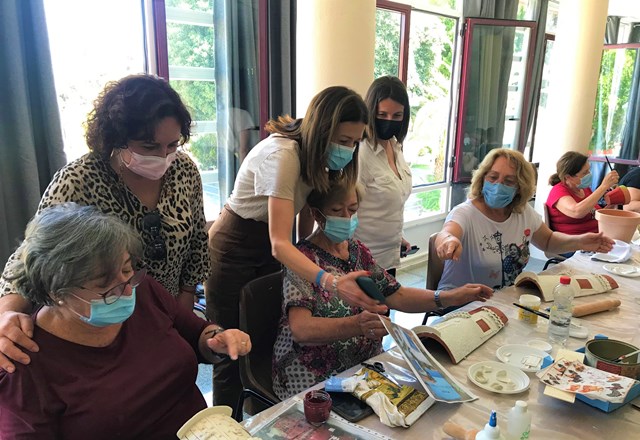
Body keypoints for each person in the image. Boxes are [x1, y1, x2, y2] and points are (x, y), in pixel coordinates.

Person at [0, 74, 211, 373]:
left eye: (172, 144)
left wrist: (184, 305)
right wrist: (6, 314)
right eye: (149, 147)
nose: (163, 157)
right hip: (101, 321)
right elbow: (32, 257)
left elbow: (197, 245)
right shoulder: (79, 180)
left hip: (163, 313)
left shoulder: (184, 170)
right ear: (117, 139)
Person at [0, 204, 250, 439]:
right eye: (104, 286)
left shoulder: (143, 292)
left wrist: (217, 339)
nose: (128, 291)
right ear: (58, 293)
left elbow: (198, 334)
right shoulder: (24, 362)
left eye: (128, 270)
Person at [205, 86, 387, 407]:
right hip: (236, 243)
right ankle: (227, 426)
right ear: (323, 129)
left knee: (263, 337)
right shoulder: (283, 156)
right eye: (344, 141)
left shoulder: (314, 155)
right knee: (231, 348)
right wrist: (329, 281)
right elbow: (279, 243)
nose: (348, 149)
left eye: (355, 142)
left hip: (267, 242)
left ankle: (262, 416)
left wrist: (307, 252)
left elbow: (303, 211)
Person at [271, 180, 493, 399]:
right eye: (337, 211)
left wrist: (448, 297)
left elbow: (397, 294)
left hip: (364, 366)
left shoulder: (357, 251)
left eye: (353, 209)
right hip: (312, 375)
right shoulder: (303, 261)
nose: (347, 218)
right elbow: (301, 329)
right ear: (318, 214)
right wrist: (357, 325)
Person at [435, 149, 614, 291]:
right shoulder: (465, 213)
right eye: (493, 177)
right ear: (482, 179)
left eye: (509, 181)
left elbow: (548, 241)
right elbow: (449, 232)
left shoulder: (522, 212)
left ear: (520, 187)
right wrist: (448, 240)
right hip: (461, 303)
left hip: (504, 299)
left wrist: (581, 241)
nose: (498, 185)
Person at [354, 76, 413, 275]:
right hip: (362, 261)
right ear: (371, 112)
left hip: (389, 257)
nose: (389, 121)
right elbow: (347, 210)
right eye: (383, 114)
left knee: (386, 306)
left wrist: (398, 237)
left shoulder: (396, 148)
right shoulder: (360, 152)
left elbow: (390, 204)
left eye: (397, 116)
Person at [546, 151, 618, 234]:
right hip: (576, 243)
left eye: (589, 170)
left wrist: (613, 203)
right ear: (568, 177)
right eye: (584, 173)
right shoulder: (558, 191)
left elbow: (596, 214)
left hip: (597, 235)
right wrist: (603, 186)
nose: (589, 174)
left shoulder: (584, 189)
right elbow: (577, 212)